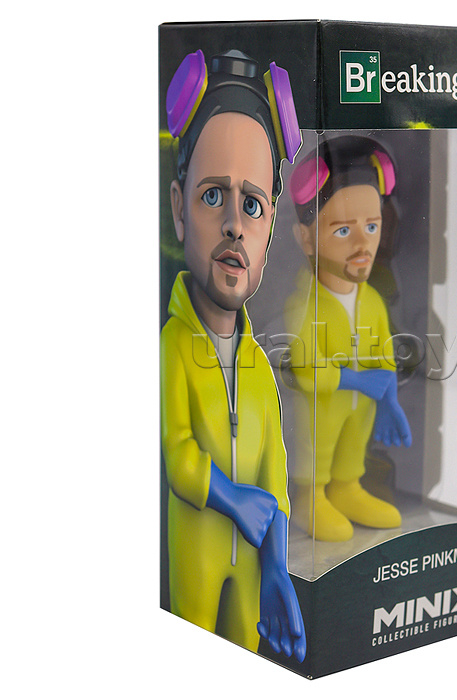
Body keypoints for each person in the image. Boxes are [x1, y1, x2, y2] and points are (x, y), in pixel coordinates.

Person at [160, 48, 305, 661]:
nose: (233, 227)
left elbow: (275, 477)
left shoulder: (260, 369)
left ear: (268, 233)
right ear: (178, 209)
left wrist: (276, 569)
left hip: (250, 568)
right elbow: (177, 454)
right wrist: (230, 497)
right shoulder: (172, 345)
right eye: (212, 196)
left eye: (252, 205)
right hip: (193, 554)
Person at [286, 135, 412, 542]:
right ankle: (310, 496)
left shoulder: (372, 301)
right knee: (318, 445)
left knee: (353, 445)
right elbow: (305, 368)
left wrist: (389, 401)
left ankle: (346, 486)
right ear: (305, 238)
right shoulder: (306, 306)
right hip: (318, 416)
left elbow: (384, 356)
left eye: (372, 226)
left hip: (361, 415)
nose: (363, 245)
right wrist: (356, 380)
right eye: (343, 230)